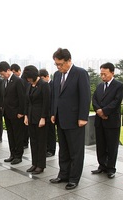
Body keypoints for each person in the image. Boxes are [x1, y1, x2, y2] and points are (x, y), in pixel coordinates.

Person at [49, 48, 91, 190]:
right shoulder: (57, 75)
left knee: (75, 151)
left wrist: (83, 117)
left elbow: (85, 96)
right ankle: (63, 174)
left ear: (68, 61)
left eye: (60, 64)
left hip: (75, 119)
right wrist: (53, 113)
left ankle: (74, 178)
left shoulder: (80, 73)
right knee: (64, 149)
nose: (59, 67)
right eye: (56, 64)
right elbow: (55, 96)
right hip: (60, 119)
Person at [91, 62, 123, 179]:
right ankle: (102, 166)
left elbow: (116, 102)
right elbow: (94, 99)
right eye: (101, 74)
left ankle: (111, 168)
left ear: (112, 72)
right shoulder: (100, 86)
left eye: (105, 74)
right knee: (100, 145)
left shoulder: (119, 85)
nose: (102, 76)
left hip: (111, 121)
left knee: (112, 146)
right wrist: (99, 111)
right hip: (99, 121)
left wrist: (104, 111)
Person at [23, 65, 50, 174]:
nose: (28, 80)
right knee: (33, 142)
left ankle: (41, 165)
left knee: (41, 142)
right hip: (31, 117)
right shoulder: (30, 85)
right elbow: (27, 102)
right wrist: (26, 115)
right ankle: (34, 163)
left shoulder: (44, 85)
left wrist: (43, 117)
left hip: (40, 118)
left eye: (29, 78)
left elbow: (46, 103)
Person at [0, 61, 25, 165]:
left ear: (8, 70)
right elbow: (2, 96)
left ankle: (18, 155)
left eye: (3, 73)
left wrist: (21, 112)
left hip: (16, 113)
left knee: (17, 135)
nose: (2, 75)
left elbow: (22, 98)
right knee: (10, 134)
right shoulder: (4, 82)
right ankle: (12, 154)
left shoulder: (18, 81)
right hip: (7, 113)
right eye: (0, 74)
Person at [11, 63, 29, 149]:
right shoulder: (14, 80)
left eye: (14, 72)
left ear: (19, 71)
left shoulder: (24, 79)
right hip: (18, 108)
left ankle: (25, 142)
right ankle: (23, 142)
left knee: (24, 128)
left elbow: (23, 96)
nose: (13, 74)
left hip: (25, 106)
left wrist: (22, 111)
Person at [39, 69, 56, 157]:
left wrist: (53, 113)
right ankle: (45, 148)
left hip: (51, 112)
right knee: (44, 133)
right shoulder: (41, 85)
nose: (41, 80)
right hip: (43, 112)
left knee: (51, 132)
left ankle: (51, 150)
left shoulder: (53, 85)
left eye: (42, 78)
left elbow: (54, 100)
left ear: (47, 76)